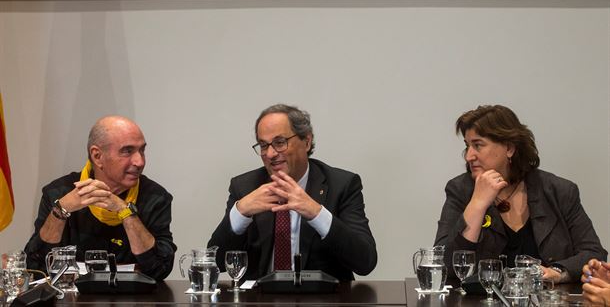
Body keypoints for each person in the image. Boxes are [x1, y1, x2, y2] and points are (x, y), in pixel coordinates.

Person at [434, 105, 606, 283]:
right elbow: (445, 263)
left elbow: (594, 254)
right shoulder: (460, 190)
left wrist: (557, 272)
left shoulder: (559, 191)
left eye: (478, 145)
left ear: (509, 148)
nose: (469, 156)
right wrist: (477, 204)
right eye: (467, 146)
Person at [208, 104, 377, 281]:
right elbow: (216, 263)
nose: (271, 153)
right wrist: (240, 212)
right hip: (259, 298)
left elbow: (365, 262)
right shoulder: (245, 187)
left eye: (280, 142)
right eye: (264, 145)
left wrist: (316, 213)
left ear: (306, 141)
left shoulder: (342, 185)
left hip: (322, 299)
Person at [24, 116, 176, 281]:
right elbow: (35, 267)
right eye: (127, 151)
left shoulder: (155, 197)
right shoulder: (58, 193)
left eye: (142, 150)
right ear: (97, 156)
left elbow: (160, 269)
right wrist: (60, 212)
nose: (139, 161)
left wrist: (126, 212)